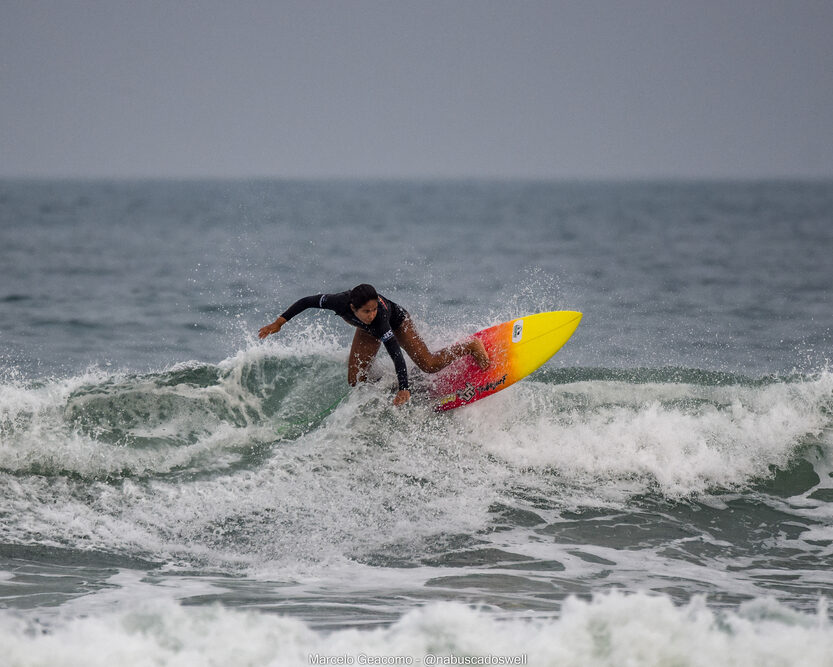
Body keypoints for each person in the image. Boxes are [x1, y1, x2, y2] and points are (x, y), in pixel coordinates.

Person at [258, 284, 490, 406]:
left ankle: (470, 346)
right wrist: (279, 322)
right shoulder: (338, 302)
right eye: (366, 311)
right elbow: (307, 301)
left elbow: (395, 353)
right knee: (355, 380)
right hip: (366, 333)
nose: (371, 313)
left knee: (429, 364)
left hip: (398, 322)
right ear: (353, 308)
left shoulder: (379, 320)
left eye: (374, 309)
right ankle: (398, 385)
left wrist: (403, 388)